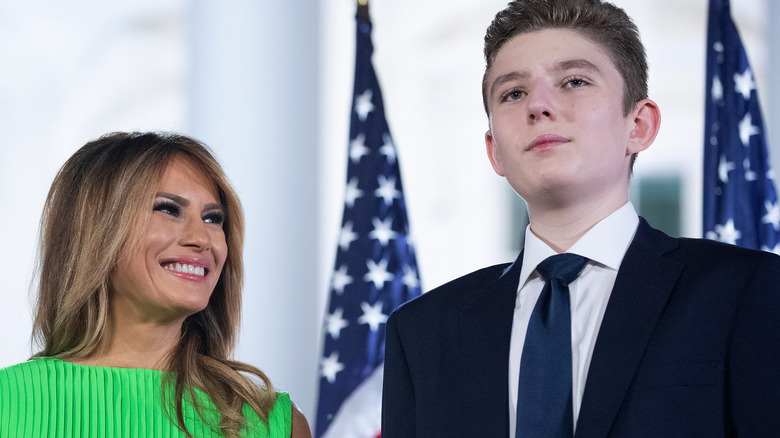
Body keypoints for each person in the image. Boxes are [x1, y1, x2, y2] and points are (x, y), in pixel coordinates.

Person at [381, 0, 780, 437]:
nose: (538, 105)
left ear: (638, 125)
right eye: (513, 93)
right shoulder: (422, 332)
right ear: (495, 149)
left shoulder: (748, 292)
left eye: (574, 81)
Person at [0, 132, 312, 438]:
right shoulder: (9, 402)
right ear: (96, 231)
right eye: (168, 209)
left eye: (213, 218)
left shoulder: (273, 422)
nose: (202, 239)